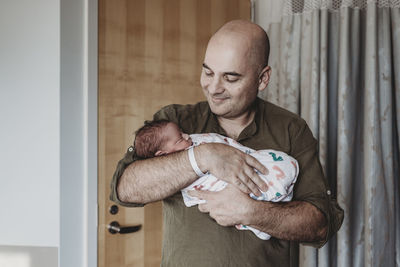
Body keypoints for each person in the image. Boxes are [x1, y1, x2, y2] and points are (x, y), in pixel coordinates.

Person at [110, 20, 344, 267]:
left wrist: (252, 212)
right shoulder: (175, 123)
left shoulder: (291, 130)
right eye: (208, 72)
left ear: (262, 78)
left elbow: (320, 225)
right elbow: (125, 189)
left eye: (230, 78)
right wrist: (203, 157)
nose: (213, 88)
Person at [133, 119, 300, 240]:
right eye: (179, 139)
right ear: (163, 155)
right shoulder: (173, 173)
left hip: (256, 166)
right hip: (234, 191)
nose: (186, 135)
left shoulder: (194, 140)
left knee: (267, 166)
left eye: (182, 132)